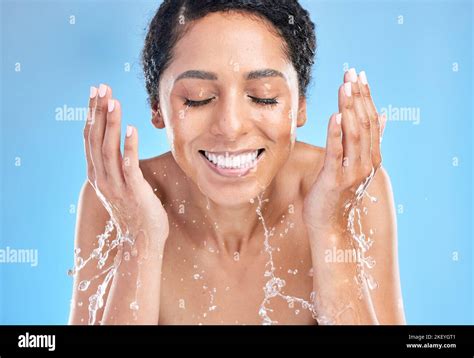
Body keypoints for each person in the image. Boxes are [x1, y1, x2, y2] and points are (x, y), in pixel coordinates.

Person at [69, 0, 405, 325]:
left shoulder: (348, 189)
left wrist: (332, 231)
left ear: (300, 106)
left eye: (263, 96)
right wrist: (138, 239)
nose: (230, 127)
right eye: (198, 98)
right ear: (157, 108)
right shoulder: (122, 198)